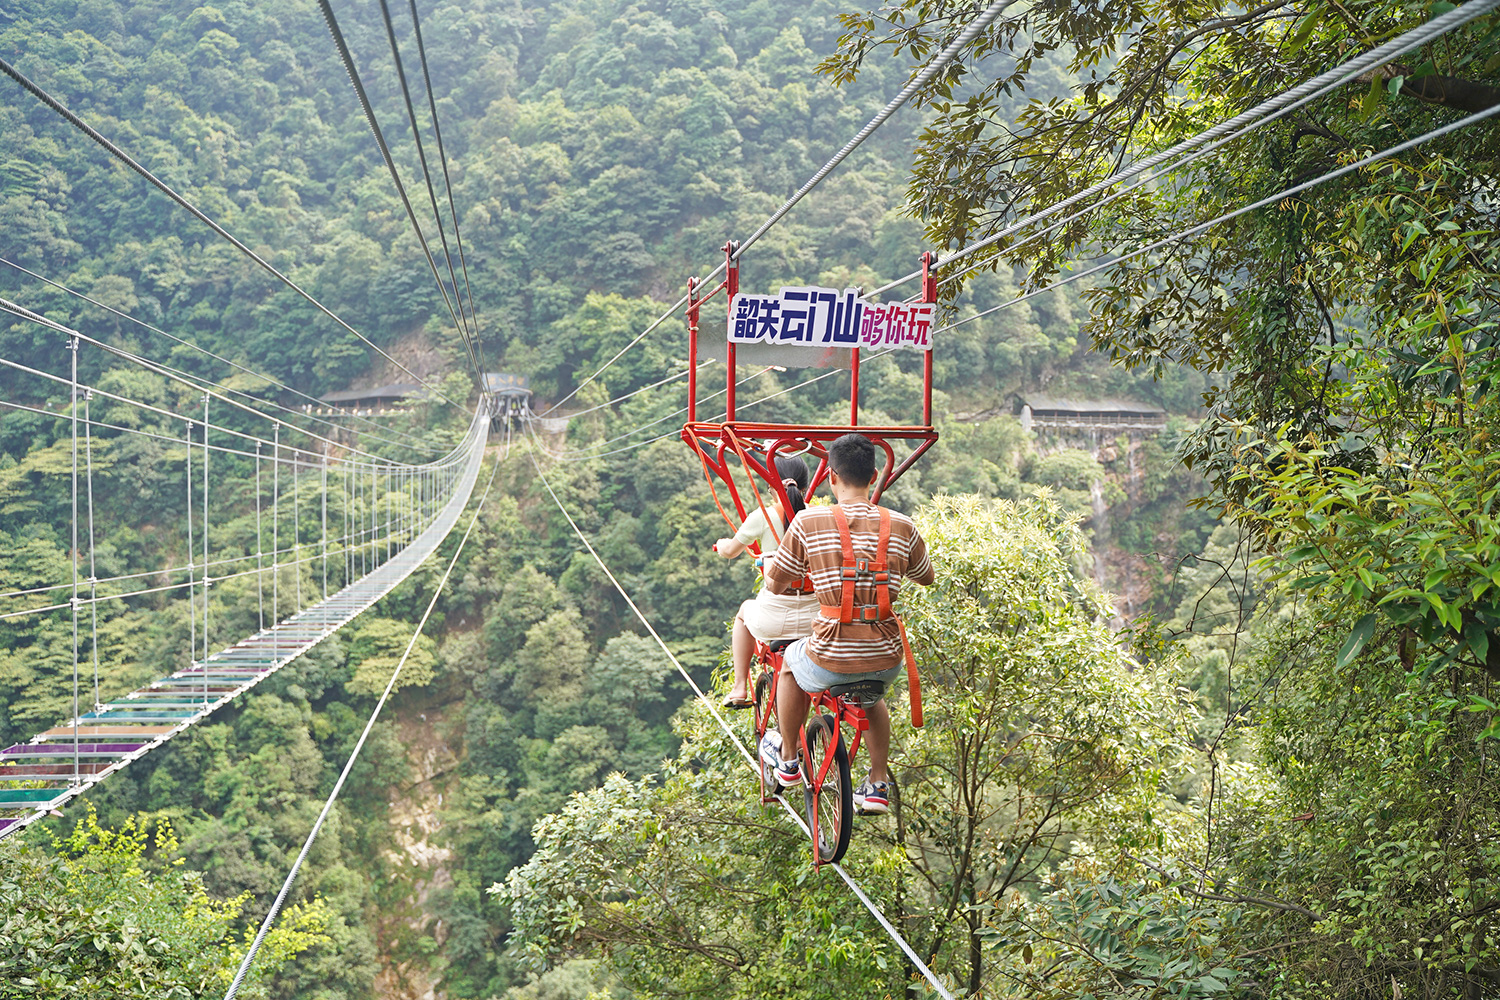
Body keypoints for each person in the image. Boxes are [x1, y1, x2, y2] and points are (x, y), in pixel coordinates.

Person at [757, 433, 934, 814]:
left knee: (789, 663)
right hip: (886, 659)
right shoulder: (901, 525)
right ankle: (877, 782)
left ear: (831, 478)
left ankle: (788, 759)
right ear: (873, 475)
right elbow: (926, 576)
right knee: (872, 696)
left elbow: (776, 581)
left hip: (830, 654)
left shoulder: (809, 521)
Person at [713, 455, 820, 708]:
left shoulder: (761, 516)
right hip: (815, 621)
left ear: (771, 486)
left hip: (774, 616)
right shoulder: (819, 517)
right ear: (804, 487)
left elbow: (730, 550)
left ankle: (740, 686)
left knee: (743, 613)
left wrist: (720, 547)